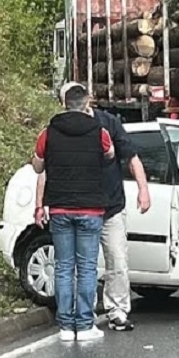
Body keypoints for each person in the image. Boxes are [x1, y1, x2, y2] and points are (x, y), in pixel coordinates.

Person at [37, 81, 151, 332]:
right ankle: (79, 318)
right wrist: (41, 203)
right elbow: (46, 170)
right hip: (80, 208)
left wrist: (143, 189)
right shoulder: (60, 129)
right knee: (79, 266)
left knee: (115, 260)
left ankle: (116, 310)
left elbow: (130, 156)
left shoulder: (107, 124)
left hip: (109, 206)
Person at [31, 84, 113, 342]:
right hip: (90, 208)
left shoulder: (49, 133)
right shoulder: (99, 132)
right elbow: (110, 154)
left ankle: (66, 326)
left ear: (64, 103)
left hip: (60, 208)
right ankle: (85, 324)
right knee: (87, 268)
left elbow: (37, 165)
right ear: (86, 102)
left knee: (64, 267)